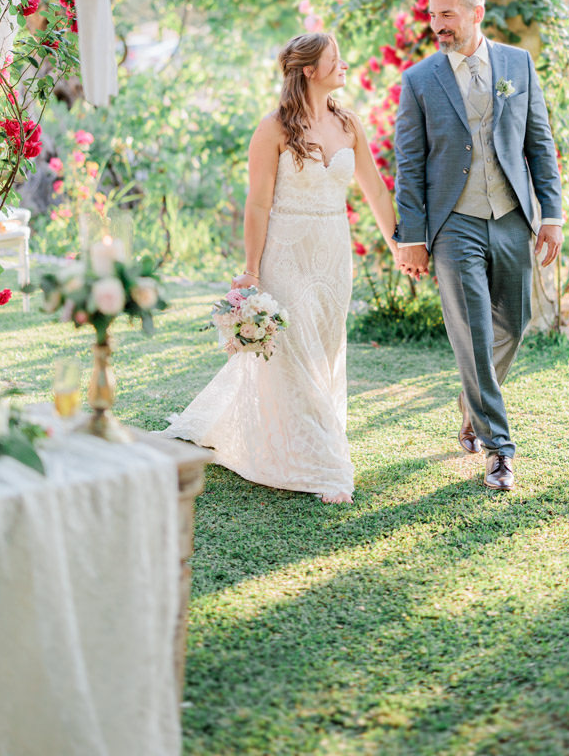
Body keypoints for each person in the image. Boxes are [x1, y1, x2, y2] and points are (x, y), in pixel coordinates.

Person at [165, 33, 398, 504]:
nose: (345, 64)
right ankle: (321, 462)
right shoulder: (273, 128)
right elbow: (257, 204)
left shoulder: (349, 124)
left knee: (326, 349)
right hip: (286, 252)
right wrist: (251, 271)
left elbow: (374, 190)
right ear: (310, 70)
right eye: (336, 59)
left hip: (333, 253)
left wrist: (398, 246)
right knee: (296, 352)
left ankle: (308, 435)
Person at [393, 0, 562, 492]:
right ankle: (499, 449)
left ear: (475, 13)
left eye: (447, 14)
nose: (437, 24)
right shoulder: (420, 80)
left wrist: (550, 213)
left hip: (511, 216)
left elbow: (539, 141)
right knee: (474, 332)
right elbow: (410, 162)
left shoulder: (517, 64)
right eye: (432, 14)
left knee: (516, 320)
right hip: (453, 224)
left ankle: (472, 398)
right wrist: (412, 236)